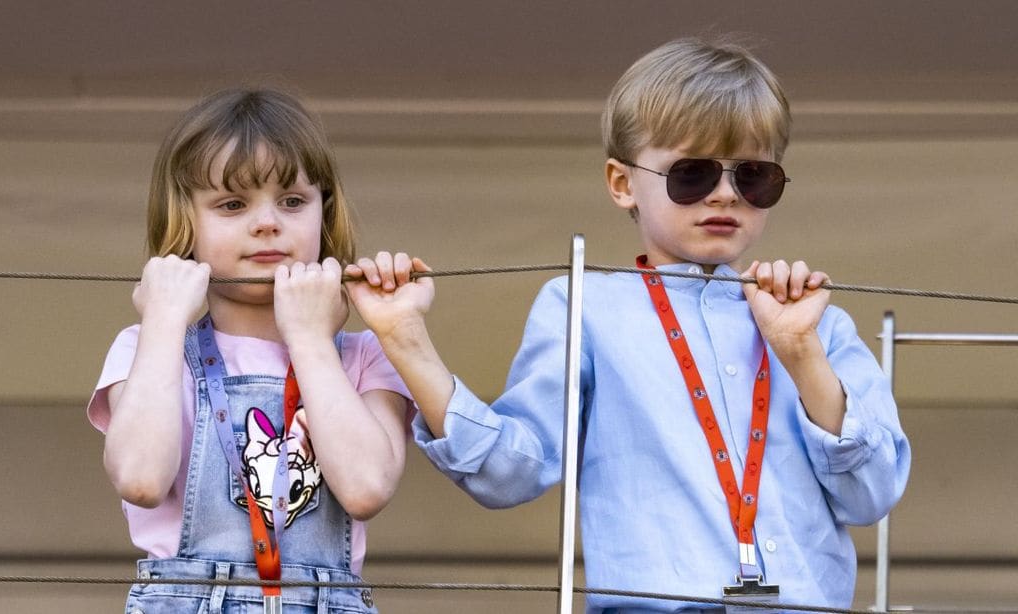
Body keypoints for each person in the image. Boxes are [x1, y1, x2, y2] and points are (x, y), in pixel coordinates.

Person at [347, 38, 911, 612]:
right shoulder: (584, 305)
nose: (725, 193)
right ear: (622, 184)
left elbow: (871, 495)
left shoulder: (824, 325)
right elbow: (508, 474)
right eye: (691, 174)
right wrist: (404, 338)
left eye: (754, 176)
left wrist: (800, 351)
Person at [88, 88, 412, 613]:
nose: (267, 222)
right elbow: (141, 479)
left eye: (292, 201)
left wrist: (309, 337)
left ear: (323, 211)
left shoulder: (363, 354)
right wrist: (165, 320)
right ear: (185, 221)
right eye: (233, 204)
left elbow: (366, 488)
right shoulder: (146, 345)